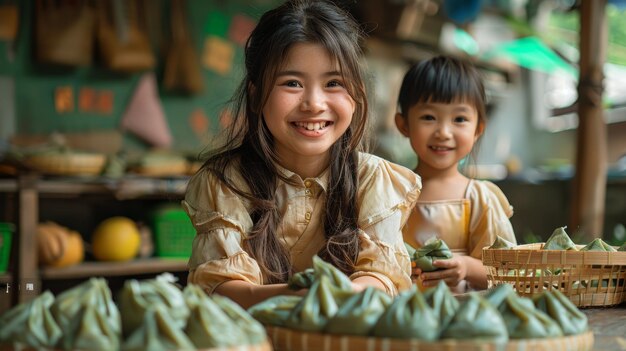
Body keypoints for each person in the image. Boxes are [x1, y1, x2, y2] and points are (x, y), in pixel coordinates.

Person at [182, 0, 421, 309]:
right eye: (292, 83)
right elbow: (221, 287)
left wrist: (331, 298)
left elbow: (381, 277)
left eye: (333, 83)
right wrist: (300, 298)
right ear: (256, 96)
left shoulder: (374, 179)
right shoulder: (225, 182)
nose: (314, 103)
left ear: (357, 94)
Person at [395, 55, 517, 292]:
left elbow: (508, 273)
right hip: (403, 319)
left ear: (478, 129)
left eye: (459, 119)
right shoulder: (390, 193)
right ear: (404, 125)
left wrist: (467, 267)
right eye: (429, 117)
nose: (443, 132)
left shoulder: (480, 199)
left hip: (463, 319)